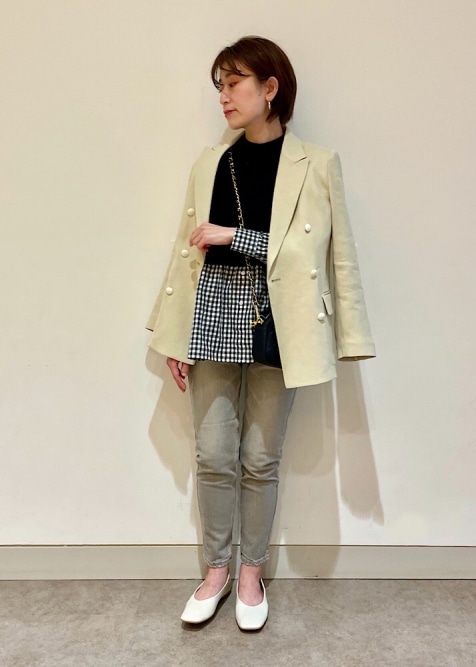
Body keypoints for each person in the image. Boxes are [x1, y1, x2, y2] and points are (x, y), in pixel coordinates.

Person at [146, 36, 376, 630]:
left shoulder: (317, 164)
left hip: (281, 320)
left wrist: (235, 236)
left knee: (259, 457)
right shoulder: (210, 162)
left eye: (234, 83)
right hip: (212, 311)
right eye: (219, 86)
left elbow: (327, 255)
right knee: (213, 454)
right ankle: (215, 572)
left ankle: (252, 573)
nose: (223, 96)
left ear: (270, 88)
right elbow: (185, 252)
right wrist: (173, 335)